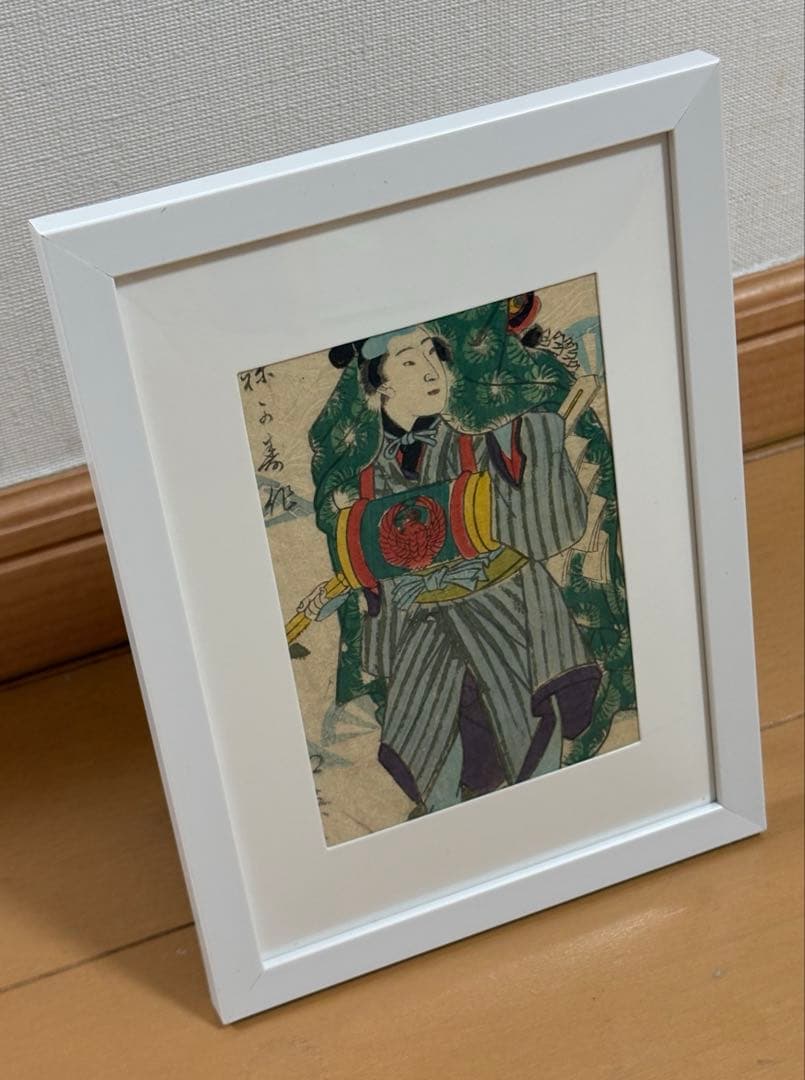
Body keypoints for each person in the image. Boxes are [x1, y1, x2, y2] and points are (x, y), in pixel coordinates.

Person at [301, 323, 601, 816]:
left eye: (432, 353)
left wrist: (537, 440)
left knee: (527, 719)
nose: (431, 369)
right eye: (409, 360)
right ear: (380, 383)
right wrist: (348, 584)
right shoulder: (367, 477)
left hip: (505, 606)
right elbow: (376, 557)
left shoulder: (482, 442)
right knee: (425, 729)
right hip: (423, 620)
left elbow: (537, 522)